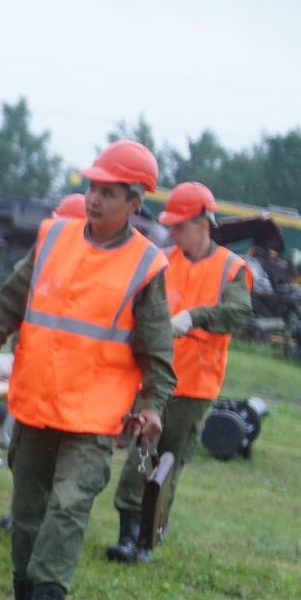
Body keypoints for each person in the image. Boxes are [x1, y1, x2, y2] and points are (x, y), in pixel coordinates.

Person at [0, 140, 175, 600]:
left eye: (108, 193)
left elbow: (158, 354)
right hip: (34, 404)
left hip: (93, 418)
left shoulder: (146, 266)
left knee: (69, 506)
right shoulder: (53, 237)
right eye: (91, 188)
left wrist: (152, 406)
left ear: (134, 204)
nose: (95, 199)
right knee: (28, 510)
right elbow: (9, 303)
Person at [105, 181, 252, 562]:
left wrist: (195, 317)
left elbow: (238, 314)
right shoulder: (164, 259)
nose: (171, 232)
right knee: (142, 452)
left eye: (179, 225)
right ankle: (128, 534)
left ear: (204, 223)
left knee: (167, 460)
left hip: (195, 385)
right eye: (170, 226)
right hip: (155, 378)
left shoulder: (231, 268)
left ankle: (147, 540)